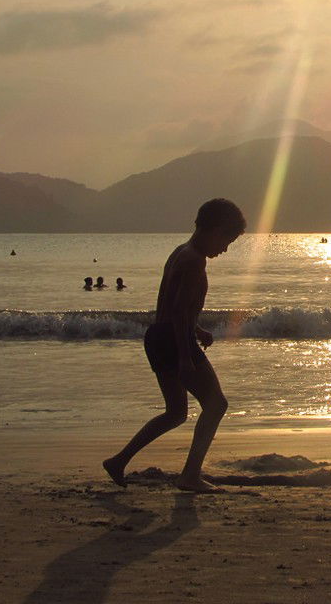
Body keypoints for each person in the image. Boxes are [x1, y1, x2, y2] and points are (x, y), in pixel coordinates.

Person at [104, 198, 246, 492]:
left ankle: (119, 461)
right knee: (216, 404)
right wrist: (185, 355)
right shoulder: (194, 260)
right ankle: (190, 475)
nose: (225, 249)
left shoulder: (182, 252)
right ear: (215, 230)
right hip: (173, 340)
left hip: (158, 336)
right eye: (226, 240)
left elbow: (174, 306)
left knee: (176, 412)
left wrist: (198, 329)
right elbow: (180, 312)